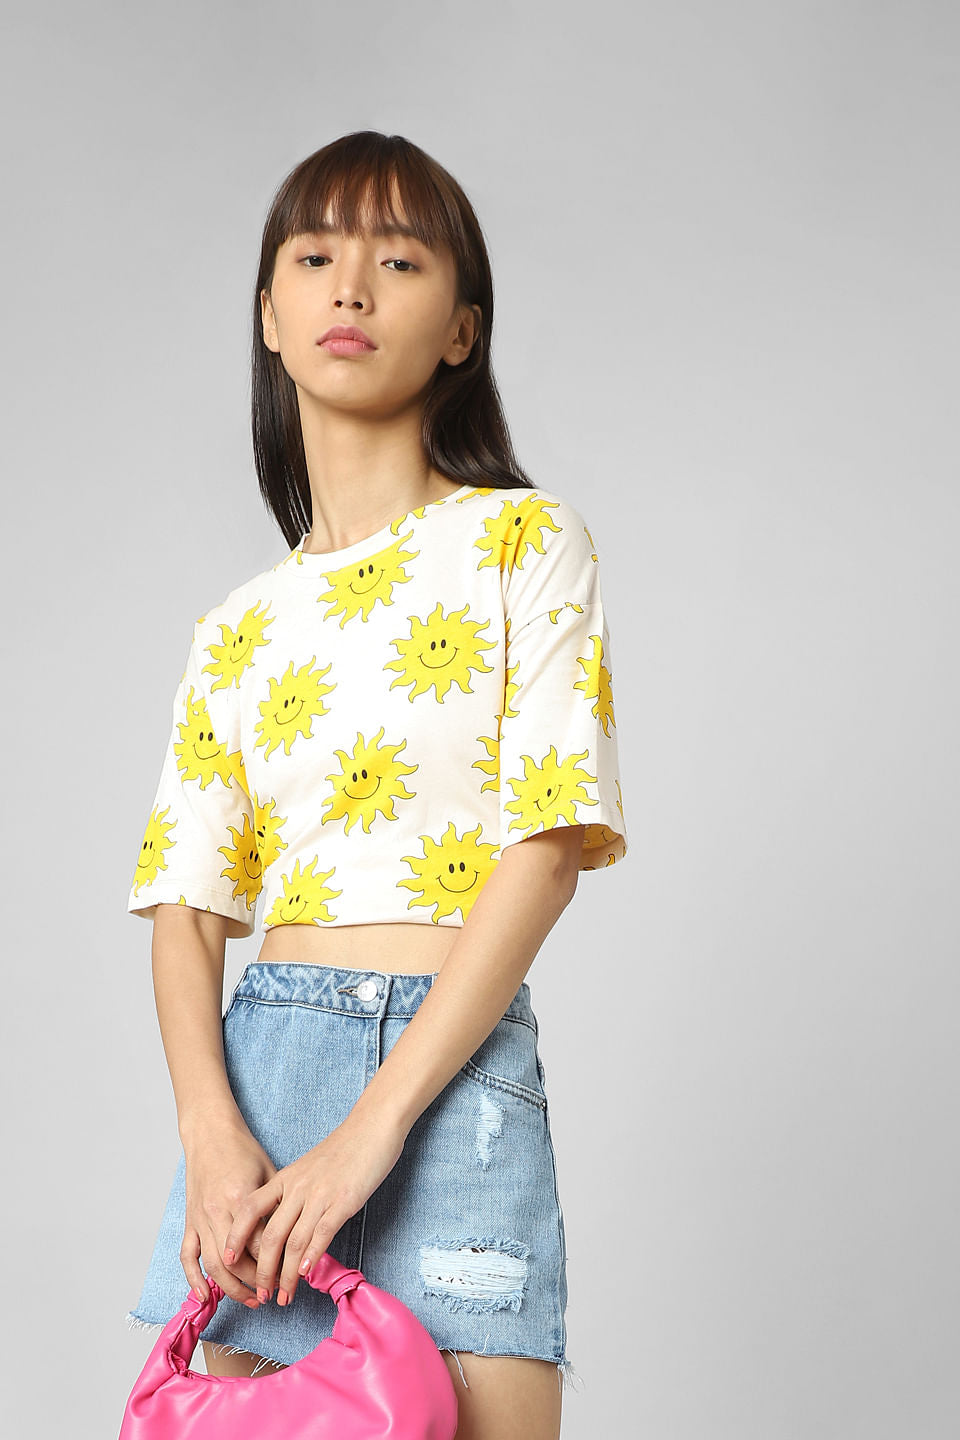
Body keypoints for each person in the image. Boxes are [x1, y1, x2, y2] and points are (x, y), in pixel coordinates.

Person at [121, 130, 628, 1440]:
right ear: (270, 316)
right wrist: (210, 1135)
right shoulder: (238, 627)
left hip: (452, 1089)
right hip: (264, 1089)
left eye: (398, 261)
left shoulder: (524, 542)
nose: (350, 287)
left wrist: (373, 1130)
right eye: (315, 257)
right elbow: (186, 907)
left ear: (462, 330)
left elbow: (547, 850)